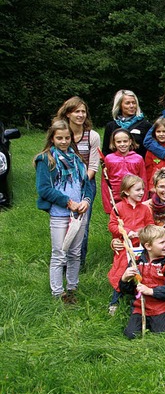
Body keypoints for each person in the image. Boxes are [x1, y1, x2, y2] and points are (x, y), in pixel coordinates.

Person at [35, 120, 91, 303]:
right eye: (59, 138)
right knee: (59, 253)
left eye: (67, 138)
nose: (64, 141)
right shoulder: (46, 159)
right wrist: (68, 202)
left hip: (78, 213)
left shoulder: (77, 158)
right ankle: (57, 292)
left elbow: (87, 184)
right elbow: (44, 189)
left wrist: (86, 201)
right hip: (60, 213)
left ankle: (72, 287)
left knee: (75, 253)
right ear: (52, 138)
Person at [54, 96, 100, 266]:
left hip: (86, 184)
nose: (81, 115)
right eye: (76, 111)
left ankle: (78, 263)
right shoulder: (62, 134)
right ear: (67, 114)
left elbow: (93, 166)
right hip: (62, 186)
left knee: (82, 225)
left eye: (83, 111)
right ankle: (61, 260)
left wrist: (79, 184)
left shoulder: (92, 136)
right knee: (62, 222)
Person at [119, 225, 165, 339]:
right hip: (140, 307)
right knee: (131, 335)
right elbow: (127, 290)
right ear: (148, 246)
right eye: (162, 242)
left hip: (162, 307)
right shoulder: (136, 263)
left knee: (161, 334)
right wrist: (124, 279)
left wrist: (151, 291)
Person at [106, 175, 154, 315]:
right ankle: (115, 300)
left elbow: (150, 225)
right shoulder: (118, 208)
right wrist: (127, 232)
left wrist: (142, 233)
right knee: (121, 270)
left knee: (141, 270)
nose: (141, 193)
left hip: (140, 247)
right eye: (137, 190)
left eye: (142, 190)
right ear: (127, 191)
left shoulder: (144, 209)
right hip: (125, 247)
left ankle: (139, 298)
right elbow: (112, 226)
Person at [101, 128, 147, 214]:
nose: (122, 144)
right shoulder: (109, 159)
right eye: (119, 142)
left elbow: (143, 181)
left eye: (125, 141)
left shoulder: (138, 159)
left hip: (134, 199)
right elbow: (105, 184)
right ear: (114, 143)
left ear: (130, 141)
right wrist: (108, 206)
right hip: (116, 200)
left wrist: (143, 202)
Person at [102, 89, 152, 157]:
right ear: (120, 105)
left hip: (138, 165)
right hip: (116, 166)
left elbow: (150, 150)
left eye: (134, 103)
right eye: (127, 103)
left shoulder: (146, 125)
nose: (131, 106)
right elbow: (106, 151)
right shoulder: (111, 126)